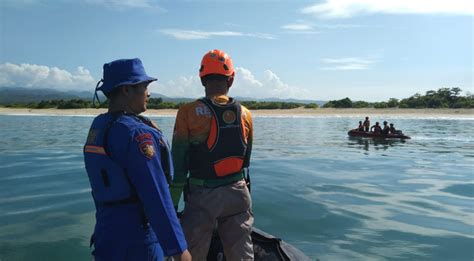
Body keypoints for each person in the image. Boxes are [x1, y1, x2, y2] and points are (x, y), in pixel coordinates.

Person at [83, 58, 191, 261]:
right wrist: (179, 250)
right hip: (138, 241)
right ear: (126, 90)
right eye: (144, 86)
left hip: (106, 235)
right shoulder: (137, 134)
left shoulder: (99, 127)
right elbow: (156, 195)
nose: (148, 93)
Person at [169, 49, 254, 260]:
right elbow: (246, 160)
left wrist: (172, 204)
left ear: (202, 79)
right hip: (239, 193)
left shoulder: (187, 112)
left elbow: (179, 165)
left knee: (192, 253)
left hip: (202, 196)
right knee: (242, 255)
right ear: (231, 79)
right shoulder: (245, 113)